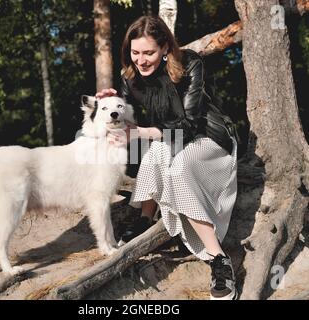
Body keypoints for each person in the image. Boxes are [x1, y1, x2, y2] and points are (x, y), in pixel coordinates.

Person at [96, 15, 238, 300]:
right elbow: (127, 125)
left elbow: (189, 125)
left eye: (148, 52)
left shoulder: (190, 63)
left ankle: (219, 259)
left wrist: (141, 132)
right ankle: (146, 219)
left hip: (207, 137)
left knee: (178, 168)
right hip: (170, 139)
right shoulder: (130, 78)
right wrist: (110, 105)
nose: (141, 60)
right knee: (153, 156)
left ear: (164, 48)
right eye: (135, 53)